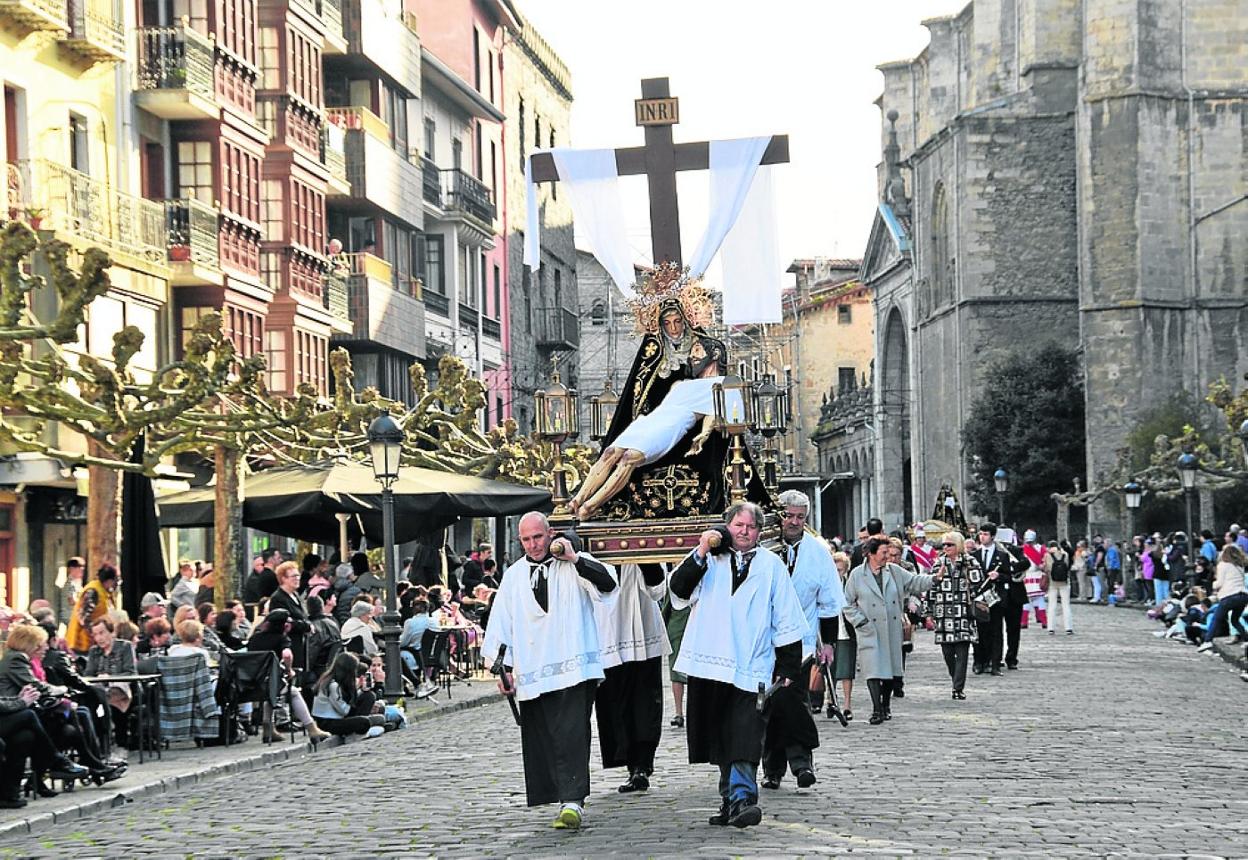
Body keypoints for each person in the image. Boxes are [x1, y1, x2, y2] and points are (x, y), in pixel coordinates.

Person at [669, 501, 806, 829]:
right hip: (712, 662)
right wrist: (701, 550)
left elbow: (785, 615)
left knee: (746, 733)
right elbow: (678, 590)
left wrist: (788, 667)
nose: (744, 532)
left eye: (751, 527)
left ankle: (744, 797)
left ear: (760, 532)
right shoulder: (707, 560)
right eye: (738, 525)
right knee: (719, 735)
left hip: (752, 663)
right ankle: (730, 799)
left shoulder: (771, 565)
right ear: (726, 526)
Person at [482, 511, 617, 831]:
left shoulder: (575, 563)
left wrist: (574, 557)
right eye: (526, 540)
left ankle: (573, 800)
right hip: (534, 668)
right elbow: (503, 622)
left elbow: (608, 584)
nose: (533, 545)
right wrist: (504, 671)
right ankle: (559, 795)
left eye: (538, 537)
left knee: (572, 732)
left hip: (574, 665)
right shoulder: (514, 575)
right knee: (543, 735)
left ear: (550, 533)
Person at [761, 490, 843, 791]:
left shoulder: (818, 551)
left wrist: (829, 643)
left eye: (800, 517)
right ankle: (773, 767)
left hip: (801, 641)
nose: (794, 522)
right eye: (788, 515)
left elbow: (830, 602)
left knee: (792, 698)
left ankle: (800, 762)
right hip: (765, 642)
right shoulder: (763, 547)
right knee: (772, 704)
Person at [843, 537, 939, 724]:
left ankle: (885, 704)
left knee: (889, 669)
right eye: (884, 552)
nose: (888, 556)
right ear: (871, 554)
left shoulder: (894, 571)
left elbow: (915, 582)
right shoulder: (857, 575)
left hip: (891, 628)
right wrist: (860, 621)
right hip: (869, 628)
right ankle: (876, 709)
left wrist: (934, 578)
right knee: (872, 669)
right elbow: (847, 602)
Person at [592, 560, 669, 794]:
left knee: (646, 701)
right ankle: (628, 761)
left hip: (643, 629)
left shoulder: (646, 551)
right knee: (615, 701)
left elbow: (658, 590)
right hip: (608, 632)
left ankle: (642, 765)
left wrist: (645, 557)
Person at [928, 531, 987, 699]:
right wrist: (929, 611)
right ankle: (956, 679)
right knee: (947, 654)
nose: (945, 547)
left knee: (962, 653)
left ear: (958, 545)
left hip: (963, 614)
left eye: (949, 544)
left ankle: (958, 687)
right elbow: (932, 587)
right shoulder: (939, 563)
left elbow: (979, 586)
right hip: (944, 613)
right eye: (944, 544)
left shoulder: (970, 562)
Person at [972, 523, 1026, 674]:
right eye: (981, 534)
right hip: (980, 598)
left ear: (993, 536)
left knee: (997, 631)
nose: (982, 537)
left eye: (986, 534)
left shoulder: (1003, 555)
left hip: (997, 598)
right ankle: (979, 661)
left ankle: (995, 663)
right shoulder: (974, 555)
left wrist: (999, 576)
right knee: (980, 631)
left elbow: (1009, 575)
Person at [311, 652, 385, 738]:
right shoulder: (333, 685)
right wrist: (357, 690)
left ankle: (369, 726)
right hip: (329, 722)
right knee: (365, 722)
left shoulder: (339, 682)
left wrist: (361, 690)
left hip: (339, 717)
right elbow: (344, 711)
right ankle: (358, 732)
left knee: (369, 697)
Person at [1198, 544, 1248, 651]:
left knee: (1216, 618)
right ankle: (1246, 639)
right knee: (1235, 620)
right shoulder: (1240, 566)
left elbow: (1220, 583)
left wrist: (1212, 585)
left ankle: (1207, 641)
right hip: (1243, 596)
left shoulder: (1223, 565)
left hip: (1229, 596)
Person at [66, 564, 120, 655]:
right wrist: (96, 634)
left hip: (93, 643)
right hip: (82, 645)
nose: (116, 585)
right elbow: (83, 618)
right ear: (110, 581)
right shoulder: (93, 591)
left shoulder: (103, 592)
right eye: (116, 581)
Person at [268, 561, 311, 670]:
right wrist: (307, 626)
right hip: (289, 645)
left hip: (301, 645)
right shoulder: (278, 598)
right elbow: (286, 623)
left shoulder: (296, 595)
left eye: (298, 575)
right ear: (283, 579)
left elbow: (303, 616)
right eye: (293, 576)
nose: (297, 578)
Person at [661, 564, 689, 729]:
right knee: (676, 673)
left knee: (688, 674)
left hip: (683, 627)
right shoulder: (673, 579)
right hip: (677, 629)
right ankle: (679, 713)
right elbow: (666, 607)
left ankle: (682, 713)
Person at [830, 551, 856, 721]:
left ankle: (847, 705)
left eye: (840, 570)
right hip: (830, 633)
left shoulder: (849, 586)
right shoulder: (826, 586)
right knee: (830, 670)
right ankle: (831, 701)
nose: (837, 573)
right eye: (835, 569)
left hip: (846, 632)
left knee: (846, 671)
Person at [1043, 541, 1075, 635]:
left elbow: (1047, 569)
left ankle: (1051, 628)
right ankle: (1068, 627)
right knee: (1066, 605)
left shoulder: (1047, 555)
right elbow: (1068, 566)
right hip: (1064, 582)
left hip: (1052, 583)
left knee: (1052, 605)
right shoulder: (1065, 554)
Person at [1019, 530, 1048, 630]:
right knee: (1040, 600)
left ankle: (1024, 622)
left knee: (1026, 601)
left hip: (1027, 576)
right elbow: (1045, 562)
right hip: (1037, 575)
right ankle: (1044, 621)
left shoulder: (1023, 549)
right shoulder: (1041, 548)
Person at [57, 557, 85, 633]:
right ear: (71, 569)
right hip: (70, 616)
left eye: (83, 566)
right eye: (78, 566)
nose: (82, 569)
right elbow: (71, 600)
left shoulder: (77, 583)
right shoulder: (71, 584)